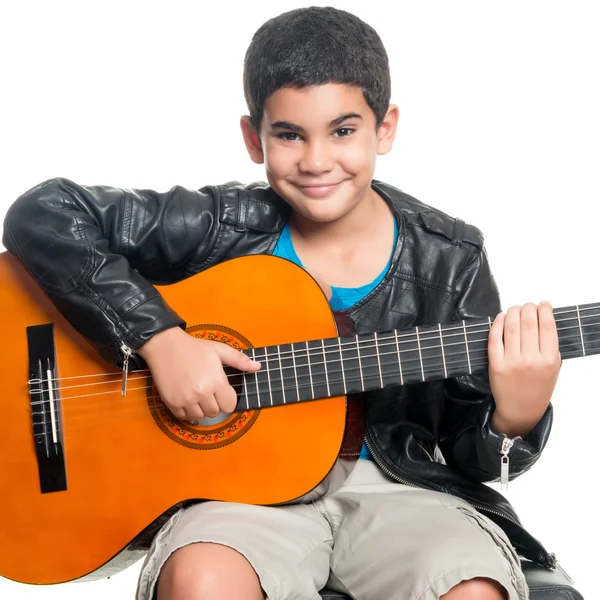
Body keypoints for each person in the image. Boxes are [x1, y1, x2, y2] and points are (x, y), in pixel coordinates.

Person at [2, 7, 562, 600]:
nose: (316, 160)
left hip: (401, 494)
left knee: (472, 589)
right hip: (240, 496)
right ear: (253, 138)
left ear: (386, 128)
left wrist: (514, 418)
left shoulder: (451, 259)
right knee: (202, 580)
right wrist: (158, 340)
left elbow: (468, 454)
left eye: (343, 131)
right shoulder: (224, 224)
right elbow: (44, 214)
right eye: (290, 135)